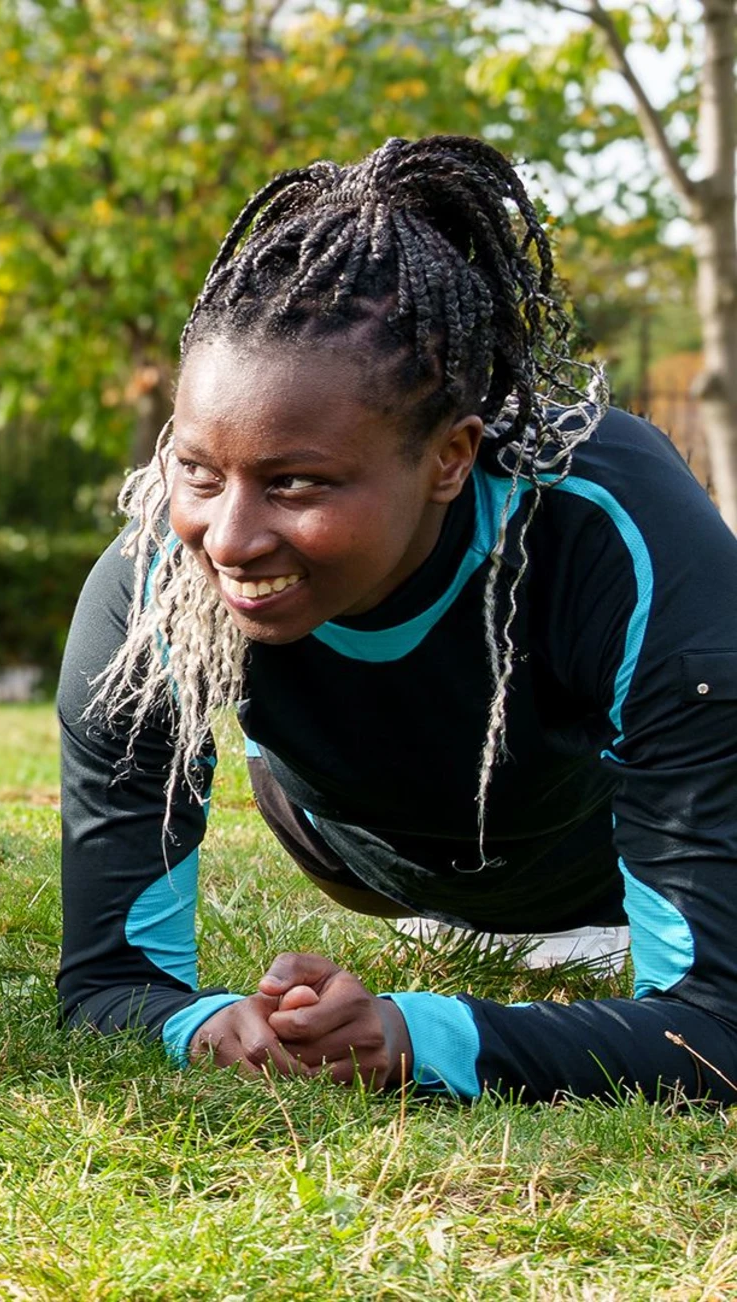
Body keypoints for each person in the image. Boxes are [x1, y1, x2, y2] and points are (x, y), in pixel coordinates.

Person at [57, 136, 737, 1103]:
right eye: (200, 471)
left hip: (603, 856)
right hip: (362, 857)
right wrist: (205, 1025)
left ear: (450, 459)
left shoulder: (618, 541)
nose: (231, 538)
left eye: (297, 483)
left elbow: (716, 1029)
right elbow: (109, 985)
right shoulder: (152, 587)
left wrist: (421, 1034)